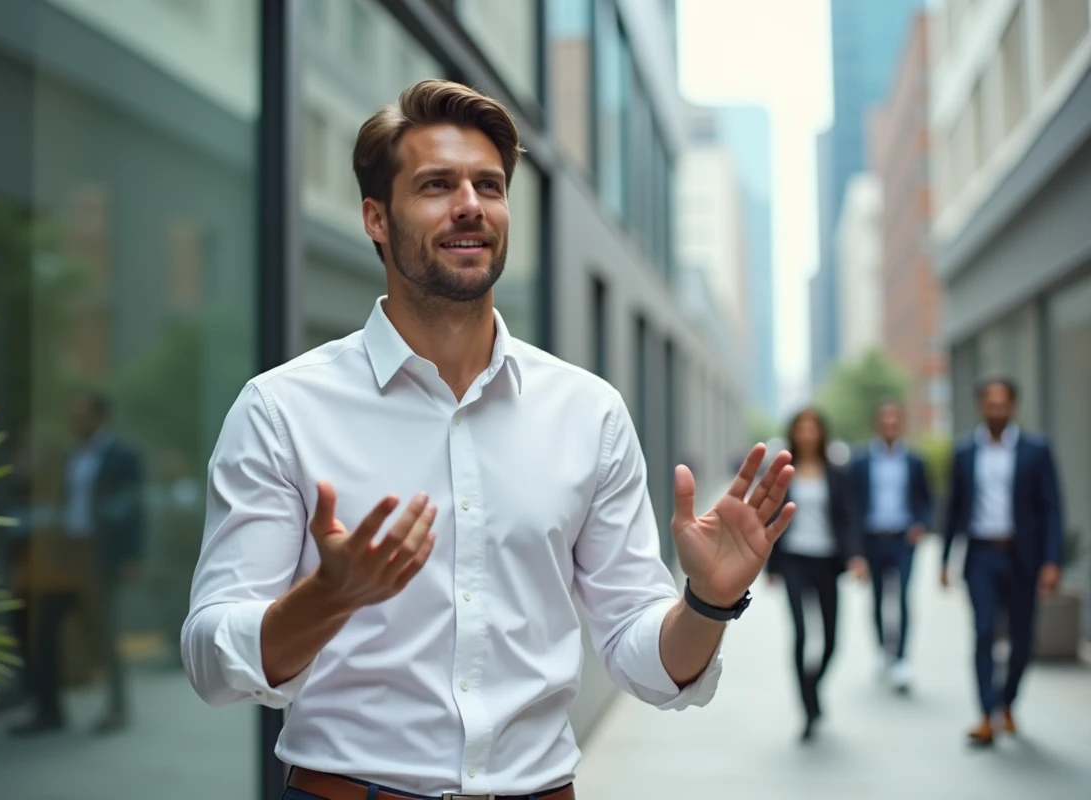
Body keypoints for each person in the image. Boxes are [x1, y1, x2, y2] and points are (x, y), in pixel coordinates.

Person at [181, 79, 796, 800]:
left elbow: (641, 656)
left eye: (489, 186)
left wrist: (707, 604)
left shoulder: (587, 412)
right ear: (376, 218)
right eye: (437, 185)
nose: (471, 204)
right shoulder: (282, 409)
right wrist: (330, 597)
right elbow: (209, 660)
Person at [12, 390, 145, 736]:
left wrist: (131, 557)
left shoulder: (121, 456)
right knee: (43, 630)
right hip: (63, 553)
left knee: (103, 633)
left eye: (81, 414)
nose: (74, 420)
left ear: (100, 417)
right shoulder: (67, 455)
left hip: (98, 554)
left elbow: (134, 510)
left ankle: (117, 708)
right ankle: (48, 709)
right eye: (72, 414)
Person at [941, 376, 1063, 746]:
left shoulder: (1036, 450)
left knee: (1023, 638)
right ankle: (987, 713)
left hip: (1023, 556)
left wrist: (1052, 561)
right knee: (982, 632)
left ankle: (1007, 701)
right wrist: (945, 560)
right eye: (990, 404)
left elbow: (1051, 508)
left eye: (1002, 404)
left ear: (1013, 406)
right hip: (980, 554)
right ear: (981, 406)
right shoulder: (964, 451)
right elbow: (953, 508)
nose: (996, 410)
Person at [766, 408, 865, 742]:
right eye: (802, 429)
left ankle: (812, 686)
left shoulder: (836, 472)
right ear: (794, 433)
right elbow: (767, 517)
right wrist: (769, 566)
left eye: (813, 429)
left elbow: (848, 516)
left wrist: (855, 557)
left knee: (832, 640)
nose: (807, 435)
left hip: (827, 561)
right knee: (801, 634)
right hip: (794, 559)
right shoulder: (782, 471)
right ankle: (808, 709)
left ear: (822, 434)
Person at [848, 400, 933, 692]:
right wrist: (856, 549)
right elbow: (853, 505)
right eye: (885, 422)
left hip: (902, 540)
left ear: (902, 425)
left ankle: (901, 660)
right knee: (878, 599)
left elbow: (925, 499)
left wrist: (921, 523)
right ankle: (884, 652)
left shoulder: (914, 460)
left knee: (904, 598)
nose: (890, 427)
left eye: (895, 422)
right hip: (872, 539)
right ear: (877, 425)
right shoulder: (860, 461)